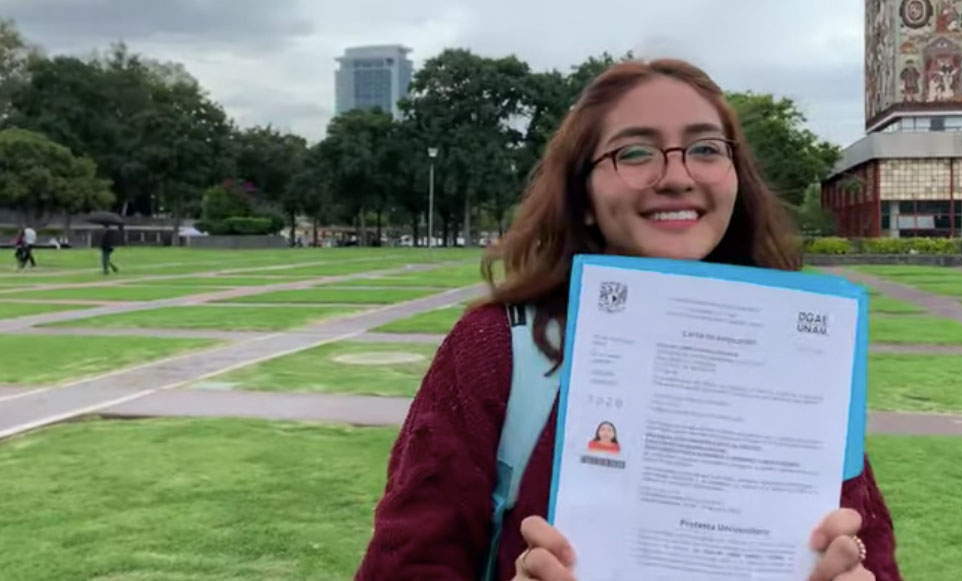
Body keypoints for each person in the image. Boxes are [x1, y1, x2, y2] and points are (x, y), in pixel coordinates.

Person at [354, 59, 902, 581]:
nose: (677, 177)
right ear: (583, 196)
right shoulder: (498, 349)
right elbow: (407, 563)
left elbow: (869, 549)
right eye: (635, 152)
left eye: (705, 149)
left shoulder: (805, 356)